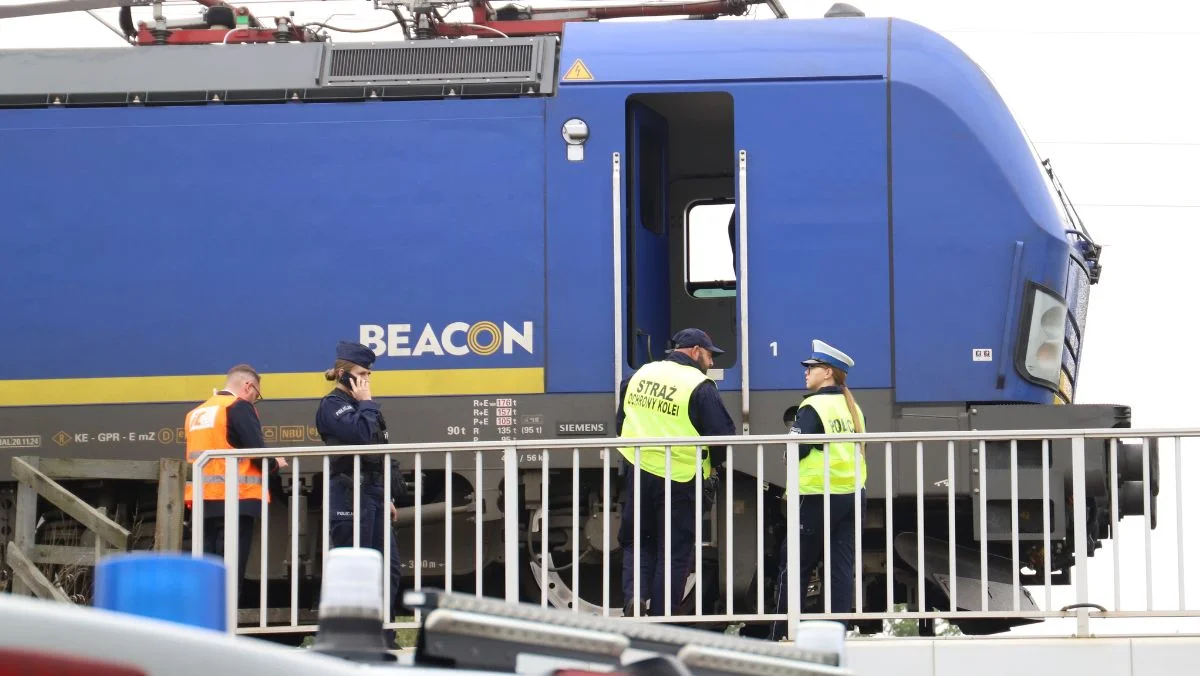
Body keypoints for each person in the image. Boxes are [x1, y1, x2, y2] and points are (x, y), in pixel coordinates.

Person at [615, 328, 735, 617]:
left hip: (639, 470)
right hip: (680, 477)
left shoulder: (638, 376)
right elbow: (722, 435)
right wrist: (713, 468)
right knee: (674, 550)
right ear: (695, 351)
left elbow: (621, 423)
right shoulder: (699, 385)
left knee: (637, 540)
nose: (711, 362)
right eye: (709, 356)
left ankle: (634, 598)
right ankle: (663, 617)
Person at [769, 339, 867, 639]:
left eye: (811, 367)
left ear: (827, 372)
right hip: (852, 495)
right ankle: (837, 632)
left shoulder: (813, 407)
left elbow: (794, 450)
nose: (806, 372)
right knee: (841, 568)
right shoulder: (853, 408)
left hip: (816, 496)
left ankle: (783, 632)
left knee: (795, 565)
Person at [314, 340, 407, 643]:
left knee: (388, 568)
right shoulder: (332, 405)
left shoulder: (364, 406)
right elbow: (362, 436)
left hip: (374, 492)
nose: (366, 380)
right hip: (349, 493)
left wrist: (388, 495)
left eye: (368, 374)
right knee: (355, 569)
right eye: (361, 374)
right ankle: (354, 639)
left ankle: (384, 637)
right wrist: (366, 402)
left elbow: (380, 448)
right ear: (344, 374)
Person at [184, 364, 288, 608]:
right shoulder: (238, 407)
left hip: (203, 501)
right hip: (236, 499)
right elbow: (255, 451)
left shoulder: (197, 413)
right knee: (231, 568)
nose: (254, 400)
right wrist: (275, 464)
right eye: (256, 395)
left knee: (208, 567)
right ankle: (226, 619)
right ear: (248, 386)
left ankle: (206, 617)